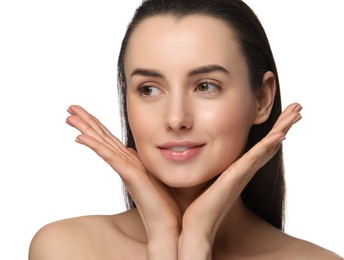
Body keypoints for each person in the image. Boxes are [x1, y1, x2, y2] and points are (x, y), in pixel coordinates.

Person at [29, 0, 342, 259]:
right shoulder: (67, 248)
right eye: (149, 89)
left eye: (205, 86)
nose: (176, 118)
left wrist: (198, 236)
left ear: (261, 99)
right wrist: (164, 235)